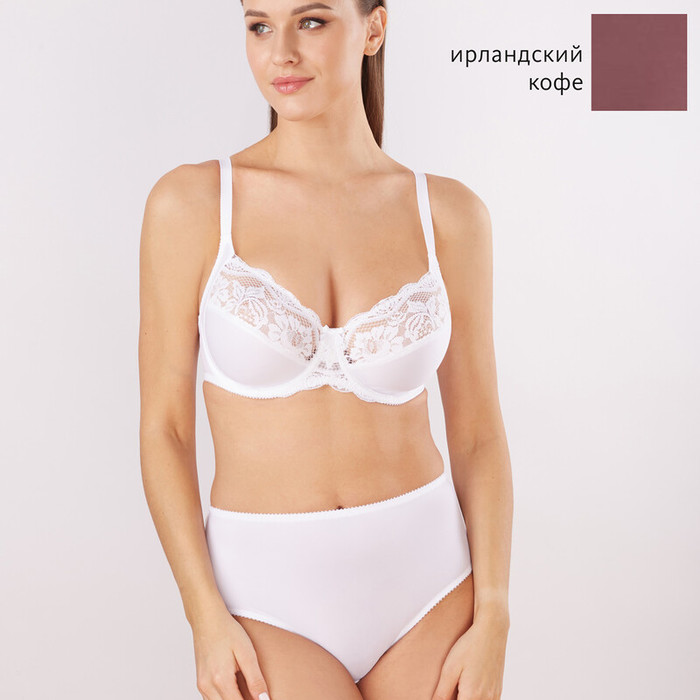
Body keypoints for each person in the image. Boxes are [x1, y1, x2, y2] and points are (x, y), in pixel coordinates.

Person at [138, 1, 513, 699]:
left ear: (374, 28)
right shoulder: (192, 205)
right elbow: (165, 430)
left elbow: (479, 435)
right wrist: (203, 615)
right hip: (264, 600)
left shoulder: (450, 216)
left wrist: (494, 611)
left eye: (311, 21)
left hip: (431, 587)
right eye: (259, 25)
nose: (280, 50)